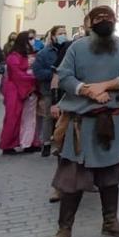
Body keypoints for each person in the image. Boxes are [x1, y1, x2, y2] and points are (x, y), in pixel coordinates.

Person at [46, 5, 119, 237]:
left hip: (113, 120)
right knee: (72, 181)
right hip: (81, 125)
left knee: (111, 177)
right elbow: (64, 76)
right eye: (98, 18)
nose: (104, 21)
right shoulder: (76, 48)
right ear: (89, 22)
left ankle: (110, 223)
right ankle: (64, 230)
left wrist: (105, 86)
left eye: (108, 17)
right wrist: (87, 90)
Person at [0, 32, 42, 154]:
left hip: (30, 90)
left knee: (30, 118)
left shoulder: (33, 55)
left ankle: (29, 143)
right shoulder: (13, 57)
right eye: (30, 39)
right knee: (13, 117)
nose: (33, 41)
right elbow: (18, 75)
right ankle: (8, 145)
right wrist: (34, 79)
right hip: (15, 90)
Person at [33, 25, 71, 157]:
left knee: (65, 117)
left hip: (66, 89)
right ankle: (46, 143)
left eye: (65, 33)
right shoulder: (44, 53)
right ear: (53, 36)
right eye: (60, 33)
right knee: (48, 117)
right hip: (49, 89)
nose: (63, 36)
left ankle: (62, 144)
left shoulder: (69, 50)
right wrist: (54, 74)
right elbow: (37, 72)